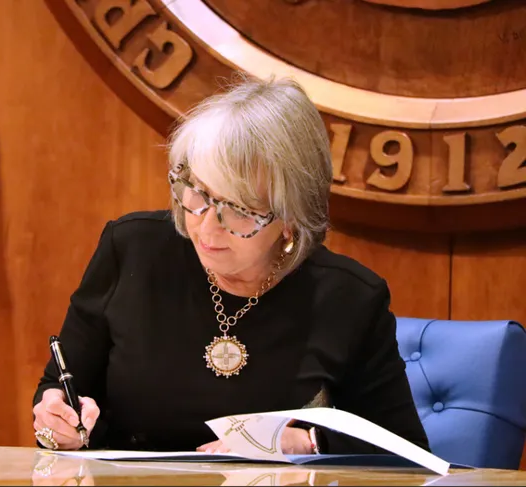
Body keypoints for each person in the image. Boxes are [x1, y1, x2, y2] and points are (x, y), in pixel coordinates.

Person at [32, 75, 429, 455]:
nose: (206, 225)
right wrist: (59, 422)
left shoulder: (349, 299)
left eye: (237, 210)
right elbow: (62, 388)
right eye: (198, 193)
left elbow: (404, 449)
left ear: (291, 217)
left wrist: (309, 443)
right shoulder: (133, 248)